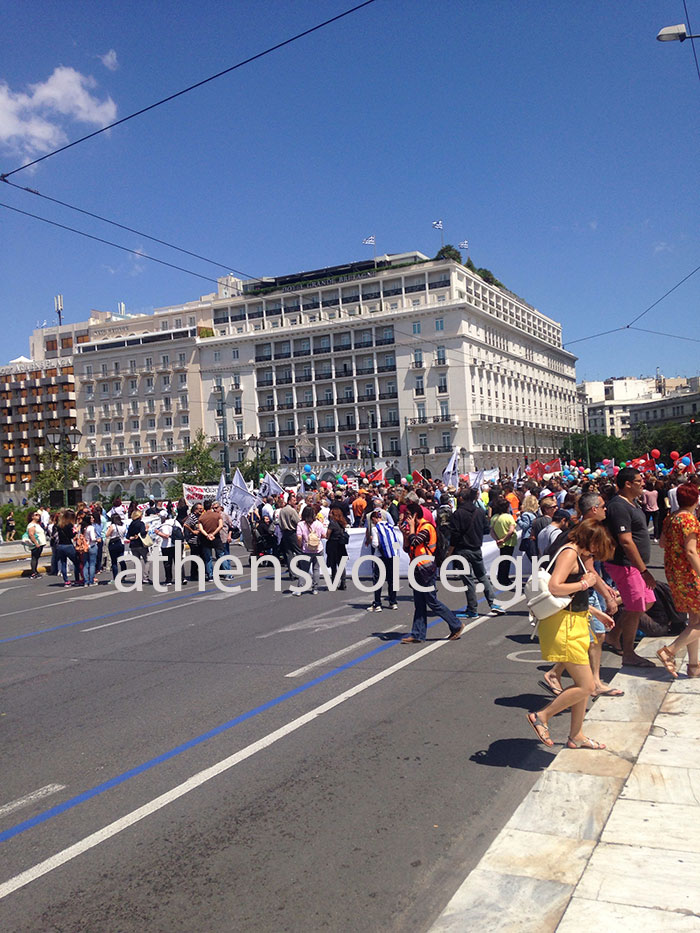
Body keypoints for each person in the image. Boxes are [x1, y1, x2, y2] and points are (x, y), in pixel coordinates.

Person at [526, 519, 615, 749]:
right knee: (586, 686)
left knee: (581, 684)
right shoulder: (569, 553)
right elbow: (555, 587)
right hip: (563, 626)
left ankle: (576, 735)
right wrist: (585, 584)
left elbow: (572, 596)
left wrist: (596, 613)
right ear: (590, 540)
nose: (595, 552)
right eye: (597, 547)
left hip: (574, 622)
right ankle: (542, 716)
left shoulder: (576, 553)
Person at [603, 468, 657, 668]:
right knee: (636, 607)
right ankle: (629, 654)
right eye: (639, 481)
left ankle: (614, 635)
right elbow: (625, 541)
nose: (643, 483)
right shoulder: (618, 506)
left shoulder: (631, 503)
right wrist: (643, 570)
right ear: (628, 484)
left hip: (634, 566)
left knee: (647, 602)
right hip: (626, 565)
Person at [400, 501, 465, 644]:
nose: (406, 519)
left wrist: (410, 530)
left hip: (426, 568)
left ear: (415, 515)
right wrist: (405, 535)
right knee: (419, 602)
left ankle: (456, 625)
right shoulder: (416, 529)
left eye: (408, 516)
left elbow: (416, 542)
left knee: (431, 601)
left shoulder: (426, 527)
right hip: (417, 568)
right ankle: (418, 634)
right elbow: (408, 548)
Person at [656, 483, 700, 678]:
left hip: (675, 574)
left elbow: (663, 543)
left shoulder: (670, 518)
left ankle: (693, 666)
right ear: (695, 500)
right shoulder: (690, 520)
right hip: (690, 574)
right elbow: (691, 551)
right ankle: (670, 651)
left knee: (695, 620)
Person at [448, 487, 505, 618]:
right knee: (482, 576)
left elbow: (454, 535)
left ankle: (472, 609)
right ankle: (494, 603)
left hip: (462, 549)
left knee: (468, 581)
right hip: (476, 548)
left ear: (461, 498)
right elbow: (486, 529)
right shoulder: (479, 512)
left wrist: (450, 552)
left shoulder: (458, 514)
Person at [365, 509, 399, 611]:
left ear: (375, 518)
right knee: (392, 580)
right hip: (392, 556)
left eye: (373, 520)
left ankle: (377, 604)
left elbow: (375, 544)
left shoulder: (376, 529)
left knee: (378, 580)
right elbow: (395, 541)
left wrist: (371, 539)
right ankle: (393, 602)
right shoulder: (390, 526)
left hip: (380, 556)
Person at [295, 505, 327, 595]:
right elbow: (324, 535)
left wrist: (300, 545)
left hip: (306, 549)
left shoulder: (300, 524)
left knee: (304, 569)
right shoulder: (318, 524)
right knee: (316, 569)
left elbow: (299, 537)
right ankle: (315, 588)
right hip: (318, 549)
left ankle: (300, 588)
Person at [490, 497, 517, 588]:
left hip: (500, 542)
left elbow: (492, 531)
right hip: (509, 542)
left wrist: (497, 539)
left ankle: (501, 577)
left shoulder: (494, 517)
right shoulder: (509, 517)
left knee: (502, 559)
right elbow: (511, 530)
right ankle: (504, 579)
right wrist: (504, 539)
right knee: (507, 561)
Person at [278, 492, 302, 581]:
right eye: (293, 500)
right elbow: (298, 521)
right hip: (292, 532)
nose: (295, 501)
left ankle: (292, 573)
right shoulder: (291, 510)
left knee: (289, 554)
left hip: (285, 533)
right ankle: (303, 570)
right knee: (299, 551)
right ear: (289, 501)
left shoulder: (282, 510)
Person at [197, 499, 222, 581]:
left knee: (208, 558)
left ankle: (210, 575)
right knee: (221, 555)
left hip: (206, 539)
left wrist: (207, 535)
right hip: (216, 538)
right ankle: (226, 574)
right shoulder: (217, 515)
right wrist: (213, 534)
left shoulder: (201, 517)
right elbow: (220, 526)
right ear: (211, 506)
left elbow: (201, 529)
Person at [126, 507, 151, 584]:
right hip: (141, 544)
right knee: (147, 560)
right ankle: (145, 577)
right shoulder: (141, 523)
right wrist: (146, 529)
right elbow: (143, 533)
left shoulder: (131, 524)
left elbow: (127, 536)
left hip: (133, 545)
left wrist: (132, 537)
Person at [326, 505, 348, 589]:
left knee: (333, 565)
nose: (329, 515)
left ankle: (333, 583)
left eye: (331, 513)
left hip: (333, 545)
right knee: (341, 564)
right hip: (341, 545)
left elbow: (328, 535)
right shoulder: (342, 523)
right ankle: (343, 582)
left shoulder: (332, 523)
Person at [55, 509, 79, 586]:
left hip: (60, 545)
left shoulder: (59, 525)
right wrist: (76, 532)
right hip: (68, 545)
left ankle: (66, 581)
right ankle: (77, 579)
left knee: (63, 563)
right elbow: (71, 536)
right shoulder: (69, 525)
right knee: (76, 562)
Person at [105, 513, 127, 581]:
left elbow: (107, 534)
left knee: (114, 561)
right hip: (121, 543)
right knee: (121, 559)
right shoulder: (123, 525)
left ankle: (115, 577)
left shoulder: (113, 526)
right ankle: (124, 574)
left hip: (113, 543)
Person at [25, 511, 47, 578]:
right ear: (32, 517)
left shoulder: (37, 524)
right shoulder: (31, 525)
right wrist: (36, 543)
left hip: (40, 544)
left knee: (36, 558)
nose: (38, 516)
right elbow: (31, 534)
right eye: (36, 515)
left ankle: (35, 571)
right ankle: (34, 572)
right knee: (34, 558)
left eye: (38, 514)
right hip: (36, 544)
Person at [81, 511, 100, 586]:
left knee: (85, 564)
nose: (93, 519)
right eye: (91, 518)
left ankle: (85, 581)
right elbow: (93, 538)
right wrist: (97, 539)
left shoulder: (83, 528)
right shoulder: (91, 528)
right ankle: (91, 581)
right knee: (92, 564)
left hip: (85, 547)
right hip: (92, 546)